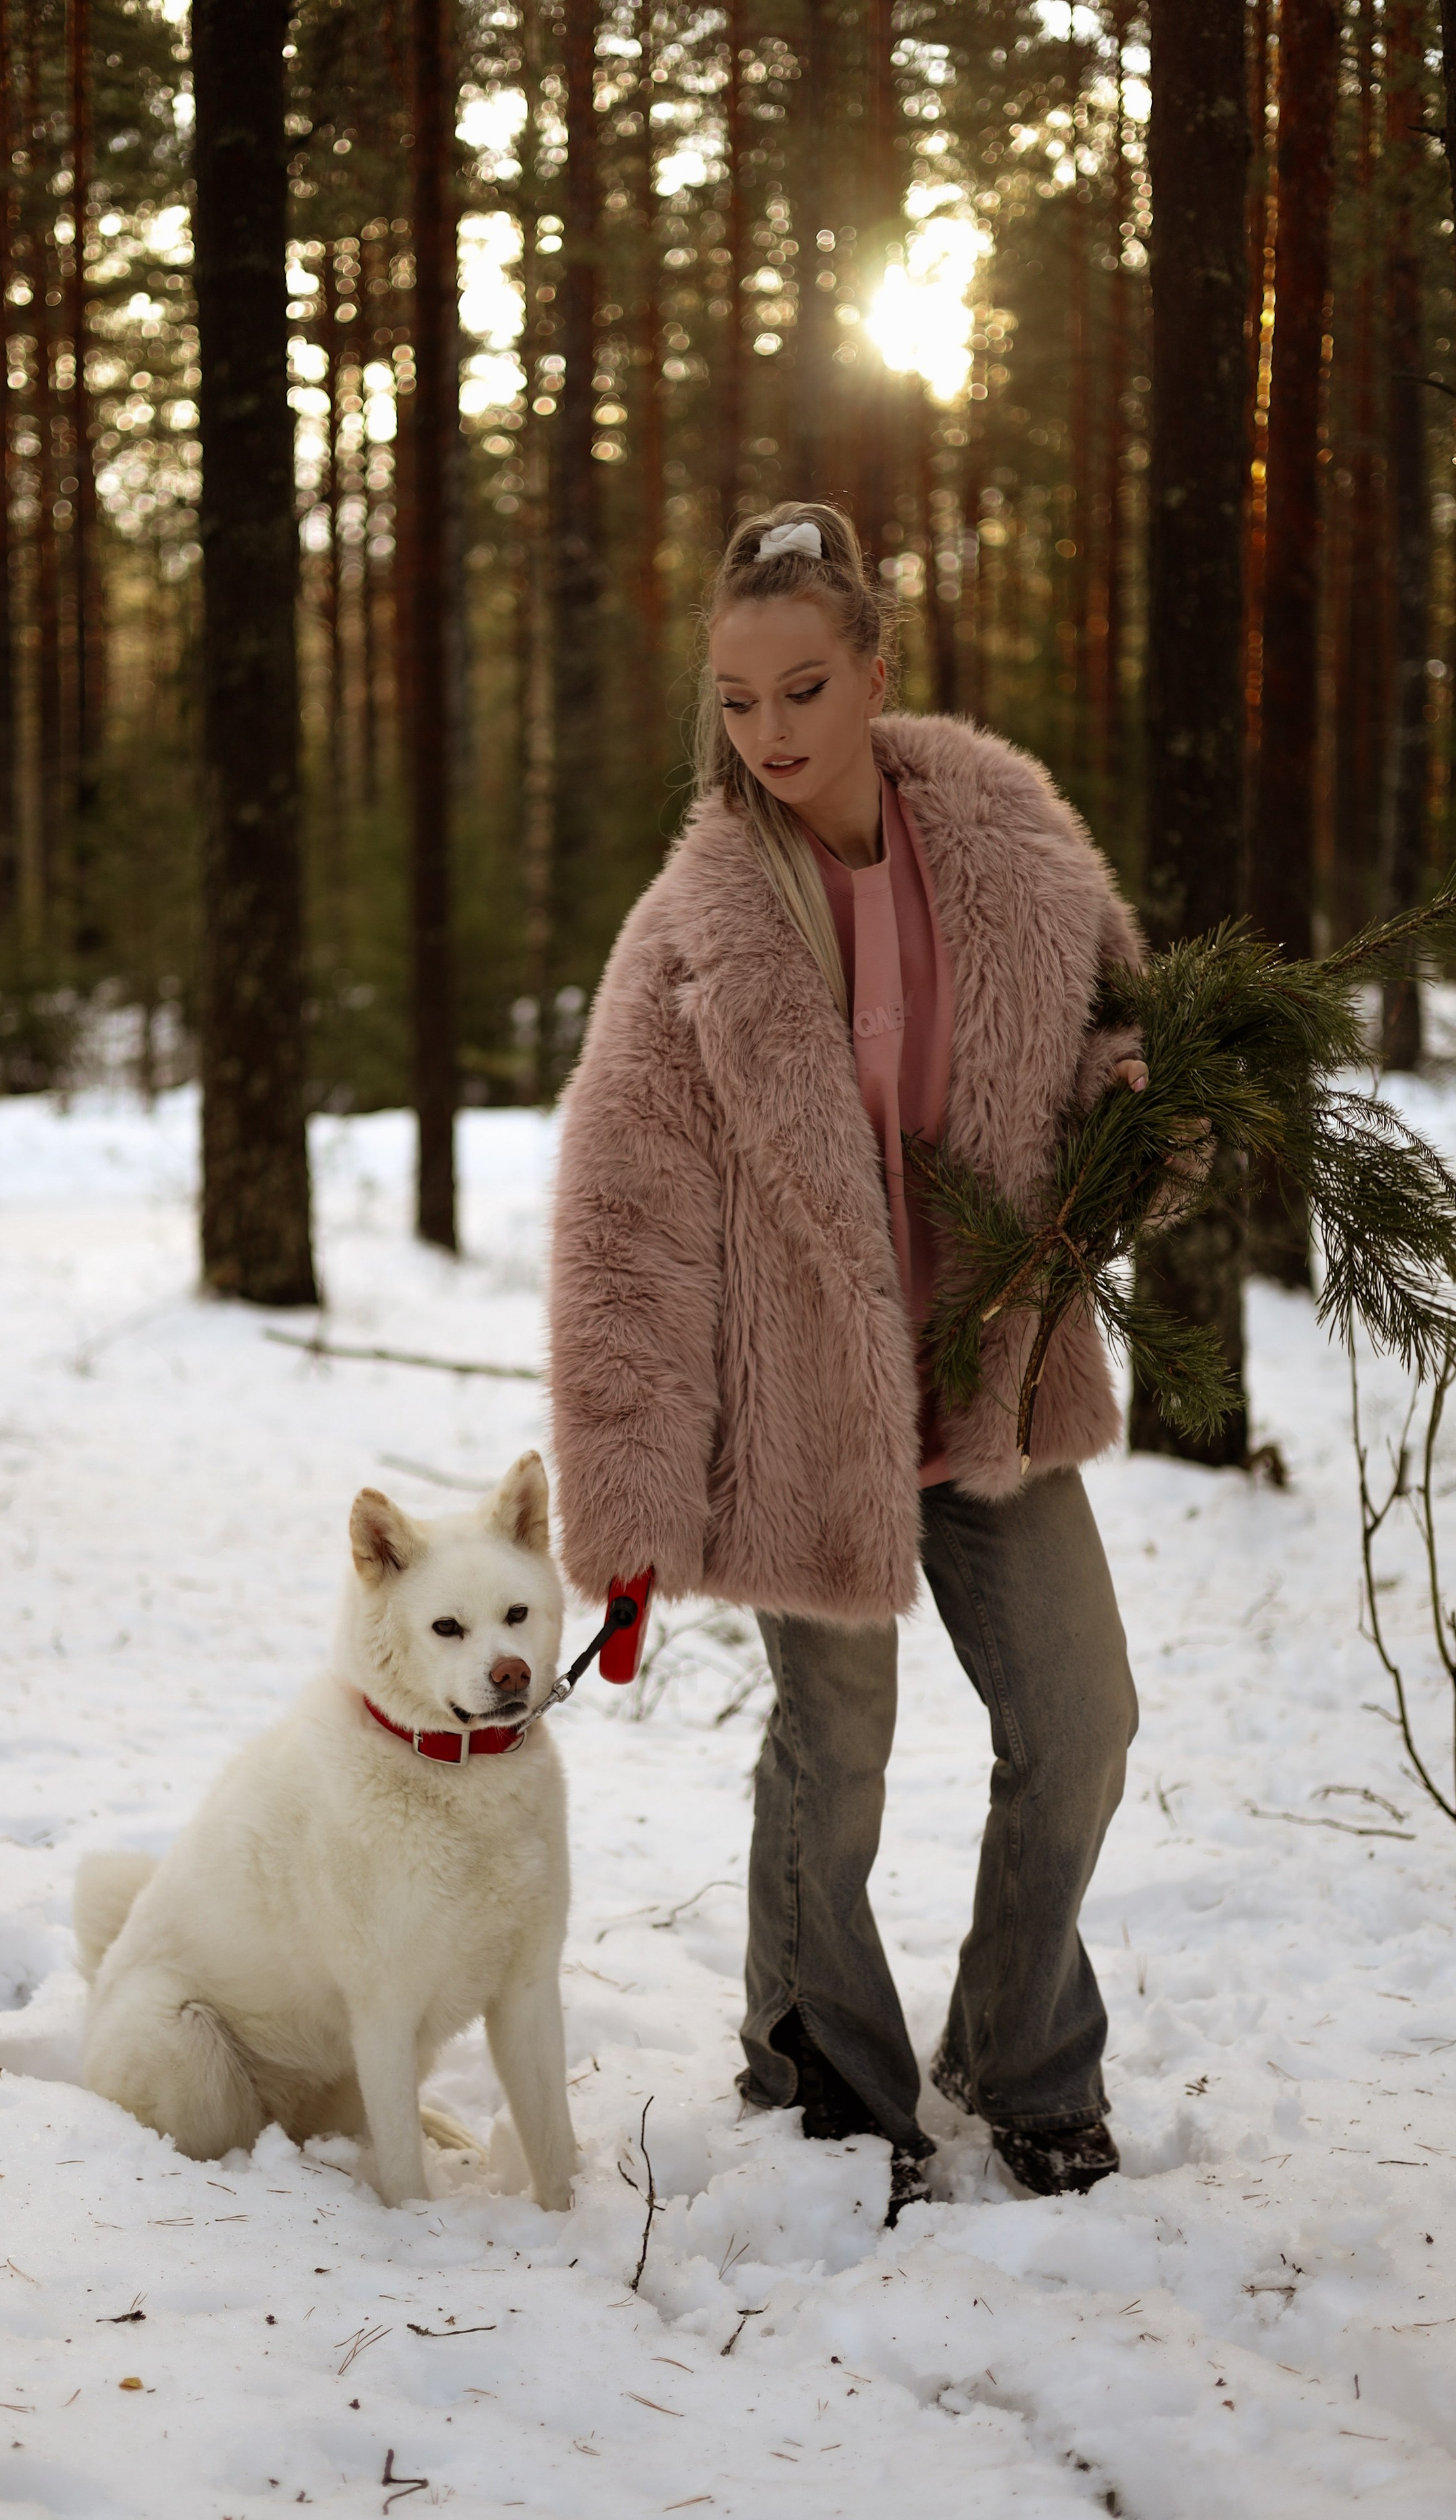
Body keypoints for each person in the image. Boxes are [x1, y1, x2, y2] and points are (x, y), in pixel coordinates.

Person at [548, 501, 1159, 2223]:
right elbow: (625, 1229)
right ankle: (819, 2072)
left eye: (804, 688)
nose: (772, 733)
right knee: (842, 1747)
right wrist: (637, 1496)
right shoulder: (694, 928)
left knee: (1083, 1715)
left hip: (991, 1381)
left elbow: (1128, 1027)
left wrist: (1137, 1116)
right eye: (737, 703)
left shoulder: (1015, 842)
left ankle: (1025, 2061)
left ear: (876, 672)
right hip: (805, 1423)